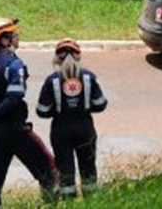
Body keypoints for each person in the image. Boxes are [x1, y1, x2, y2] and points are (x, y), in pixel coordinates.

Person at [0, 18, 56, 208]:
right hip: (16, 132)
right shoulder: (14, 66)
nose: (18, 38)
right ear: (6, 40)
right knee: (48, 171)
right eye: (15, 35)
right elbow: (14, 98)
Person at [35, 38, 108, 199]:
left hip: (61, 130)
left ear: (57, 58)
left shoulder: (52, 80)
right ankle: (92, 201)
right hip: (85, 128)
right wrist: (84, 106)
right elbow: (101, 104)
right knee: (88, 168)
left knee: (65, 170)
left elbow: (42, 111)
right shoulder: (88, 77)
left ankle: (69, 203)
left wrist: (59, 109)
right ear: (78, 56)